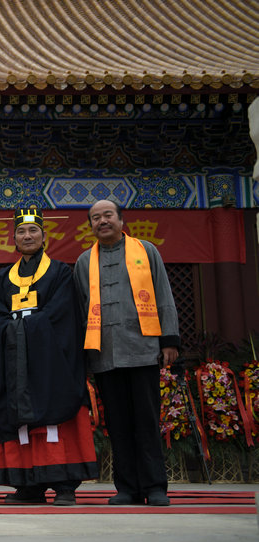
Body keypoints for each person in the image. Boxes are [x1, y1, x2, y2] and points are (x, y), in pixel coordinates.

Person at [0, 206, 98, 505]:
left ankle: (64, 485)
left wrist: (23, 327)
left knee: (55, 417)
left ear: (44, 236)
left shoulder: (61, 272)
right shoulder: (3, 277)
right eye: (21, 231)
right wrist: (11, 331)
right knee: (20, 421)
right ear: (14, 239)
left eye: (33, 230)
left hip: (51, 358)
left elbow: (63, 315)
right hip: (15, 359)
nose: (27, 236)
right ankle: (28, 485)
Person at [73, 199, 180, 506]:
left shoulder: (146, 251)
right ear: (90, 225)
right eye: (95, 218)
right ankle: (127, 488)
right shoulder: (84, 262)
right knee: (117, 424)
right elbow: (82, 309)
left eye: (107, 215)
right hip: (105, 354)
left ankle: (156, 486)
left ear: (121, 220)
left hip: (142, 349)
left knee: (146, 421)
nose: (102, 221)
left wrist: (169, 340)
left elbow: (163, 294)